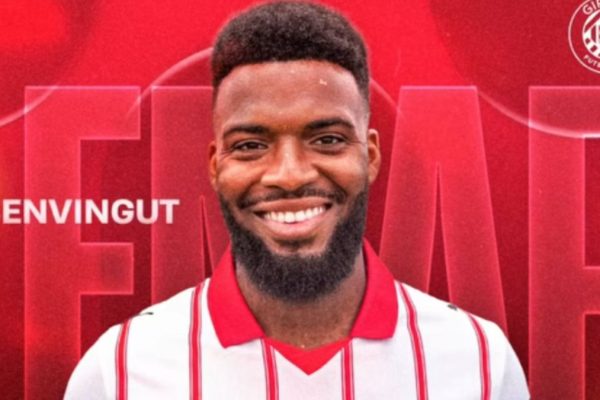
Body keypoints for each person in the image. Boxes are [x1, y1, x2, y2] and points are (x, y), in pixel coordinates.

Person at [64, 2, 530, 399]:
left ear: (369, 155)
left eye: (327, 140)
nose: (289, 175)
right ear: (216, 165)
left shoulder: (478, 361)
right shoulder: (121, 371)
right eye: (250, 145)